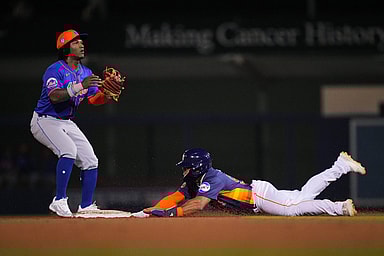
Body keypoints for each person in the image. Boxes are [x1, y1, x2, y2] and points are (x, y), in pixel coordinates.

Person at [132, 148, 366, 218]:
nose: (184, 170)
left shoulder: (211, 178)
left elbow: (199, 205)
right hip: (258, 194)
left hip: (258, 196)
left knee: (292, 210)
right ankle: (341, 166)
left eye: (187, 166)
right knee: (301, 194)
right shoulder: (195, 180)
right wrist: (154, 210)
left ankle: (338, 207)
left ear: (198, 167)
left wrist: (173, 214)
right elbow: (176, 197)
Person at [30, 29, 113, 217]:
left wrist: (107, 95)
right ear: (66, 47)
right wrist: (80, 86)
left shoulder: (86, 72)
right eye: (76, 42)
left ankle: (85, 206)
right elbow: (55, 97)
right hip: (45, 120)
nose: (81, 44)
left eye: (81, 41)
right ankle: (59, 200)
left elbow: (93, 99)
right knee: (68, 150)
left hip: (66, 122)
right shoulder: (55, 70)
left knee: (91, 160)